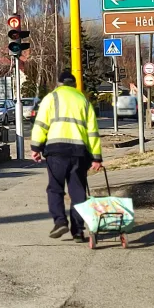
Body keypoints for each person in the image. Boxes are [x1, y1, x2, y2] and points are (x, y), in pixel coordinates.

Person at [30, 71, 103, 241]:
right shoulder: (83, 101)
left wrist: (36, 147)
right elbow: (93, 131)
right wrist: (96, 158)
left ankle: (60, 221)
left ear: (59, 83)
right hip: (79, 153)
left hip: (56, 151)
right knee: (78, 192)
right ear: (75, 85)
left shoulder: (51, 98)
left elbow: (40, 124)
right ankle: (78, 231)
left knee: (55, 188)